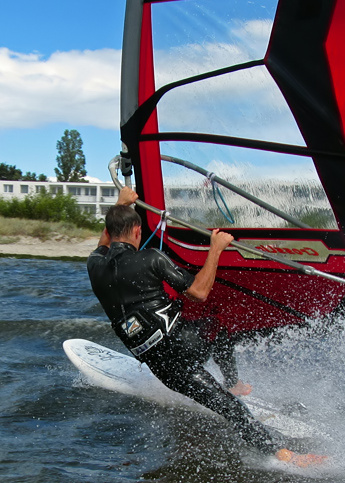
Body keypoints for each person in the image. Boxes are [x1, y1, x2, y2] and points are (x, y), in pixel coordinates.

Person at [88, 187, 324, 467]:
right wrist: (216, 249)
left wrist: (120, 204)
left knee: (225, 407)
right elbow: (199, 292)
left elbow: (105, 241)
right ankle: (243, 396)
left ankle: (276, 445)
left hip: (158, 365)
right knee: (218, 329)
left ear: (112, 230)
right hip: (182, 346)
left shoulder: (94, 265)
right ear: (138, 231)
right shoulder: (151, 258)